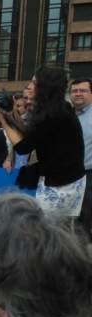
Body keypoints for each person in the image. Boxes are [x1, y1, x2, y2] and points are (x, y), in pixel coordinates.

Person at [0, 67, 86, 217]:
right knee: (62, 229)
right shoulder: (61, 108)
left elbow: (23, 147)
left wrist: (2, 120)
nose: (29, 86)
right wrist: (11, 116)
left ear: (45, 86)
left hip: (61, 185)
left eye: (34, 82)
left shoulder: (52, 115)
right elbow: (31, 136)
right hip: (70, 180)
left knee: (46, 230)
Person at [69, 78, 92, 234]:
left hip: (89, 175)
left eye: (82, 90)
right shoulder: (66, 115)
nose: (78, 94)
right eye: (74, 91)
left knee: (84, 221)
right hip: (67, 176)